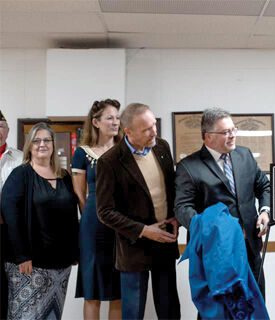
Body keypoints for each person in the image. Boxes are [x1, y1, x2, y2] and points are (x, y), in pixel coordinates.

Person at [96, 103, 180, 320]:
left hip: (165, 241)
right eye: (147, 129)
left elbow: (171, 189)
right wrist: (143, 230)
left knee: (170, 310)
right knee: (133, 314)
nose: (154, 132)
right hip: (133, 248)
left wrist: (176, 217)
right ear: (128, 132)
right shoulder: (109, 161)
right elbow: (105, 211)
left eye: (154, 125)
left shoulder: (162, 147)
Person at [175, 107, 271, 297]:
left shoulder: (245, 155)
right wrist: (211, 229)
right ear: (208, 136)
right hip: (214, 251)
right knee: (218, 310)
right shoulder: (188, 166)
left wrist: (265, 211)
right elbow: (182, 208)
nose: (232, 135)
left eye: (233, 130)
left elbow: (264, 186)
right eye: (225, 132)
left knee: (255, 305)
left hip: (249, 247)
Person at [1, 122, 79, 319]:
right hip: (29, 265)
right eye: (36, 140)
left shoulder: (64, 176)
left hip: (60, 266)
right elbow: (11, 215)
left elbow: (71, 216)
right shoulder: (21, 174)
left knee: (52, 315)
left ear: (53, 144)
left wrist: (74, 250)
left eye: (46, 140)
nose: (41, 144)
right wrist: (21, 255)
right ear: (29, 145)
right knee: (26, 316)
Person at [72, 100, 122, 319]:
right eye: (110, 117)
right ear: (96, 122)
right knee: (92, 292)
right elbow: (79, 194)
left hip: (121, 225)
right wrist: (94, 216)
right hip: (92, 225)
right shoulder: (82, 153)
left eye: (117, 117)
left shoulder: (124, 152)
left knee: (118, 290)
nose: (115, 122)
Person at [0, 110, 23, 320]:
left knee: (10, 287)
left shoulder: (21, 158)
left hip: (11, 231)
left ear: (7, 131)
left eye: (0, 126)